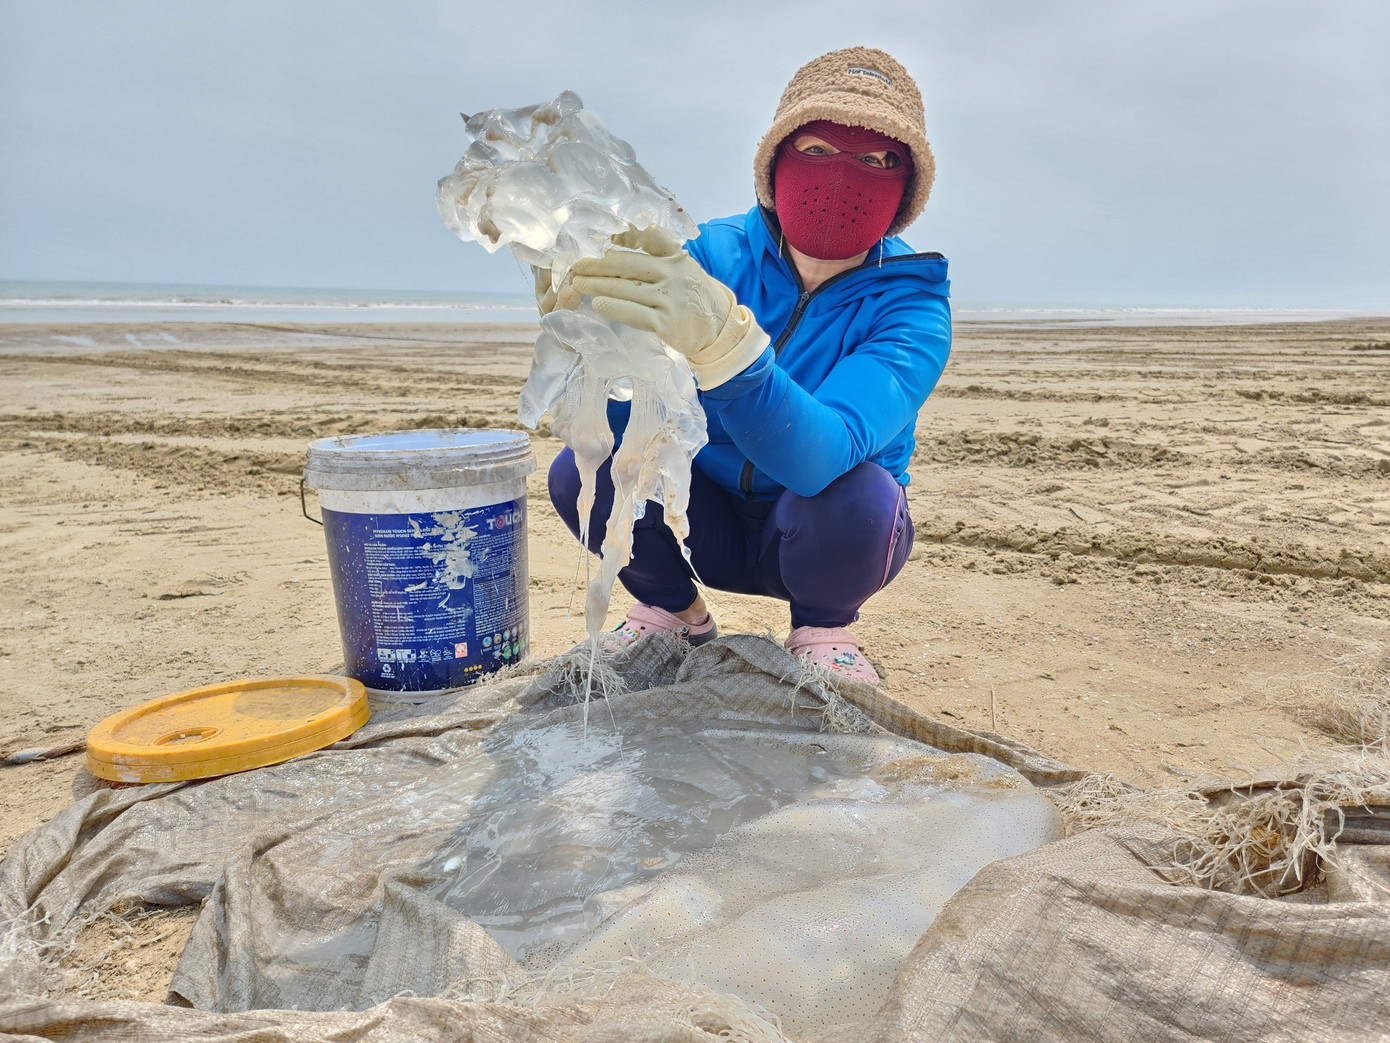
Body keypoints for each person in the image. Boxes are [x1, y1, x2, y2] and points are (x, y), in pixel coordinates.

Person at [544, 46, 951, 684]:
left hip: (824, 534)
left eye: (877, 160)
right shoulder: (706, 256)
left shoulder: (912, 306)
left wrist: (728, 349)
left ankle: (821, 628)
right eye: (816, 149)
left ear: (906, 190)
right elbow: (627, 413)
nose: (841, 180)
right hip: (699, 516)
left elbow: (821, 456)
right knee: (583, 466)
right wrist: (594, 341)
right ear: (775, 161)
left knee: (862, 495)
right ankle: (674, 612)